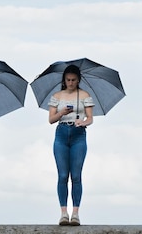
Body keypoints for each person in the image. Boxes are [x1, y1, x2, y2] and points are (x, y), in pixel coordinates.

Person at [48, 64, 95, 226]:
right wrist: (62, 113)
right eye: (68, 80)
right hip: (61, 133)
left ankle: (75, 213)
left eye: (73, 80)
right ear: (64, 80)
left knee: (76, 175)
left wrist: (82, 122)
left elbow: (90, 119)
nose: (70, 82)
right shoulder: (57, 95)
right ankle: (63, 213)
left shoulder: (84, 95)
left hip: (78, 134)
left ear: (78, 80)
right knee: (62, 175)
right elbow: (51, 120)